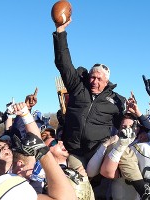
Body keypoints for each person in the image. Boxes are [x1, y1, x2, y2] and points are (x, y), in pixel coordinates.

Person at [52, 19, 126, 168]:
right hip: (75, 151)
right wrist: (60, 32)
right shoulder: (77, 86)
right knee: (80, 183)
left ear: (107, 82)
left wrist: (134, 116)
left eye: (99, 79)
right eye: (92, 77)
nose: (94, 81)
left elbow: (122, 126)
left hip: (98, 153)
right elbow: (64, 63)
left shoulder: (116, 100)